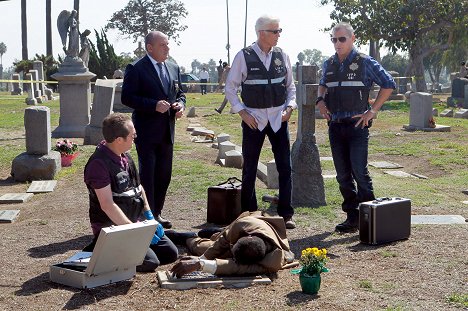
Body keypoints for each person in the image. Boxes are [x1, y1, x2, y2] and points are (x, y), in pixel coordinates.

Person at [316, 22, 396, 233]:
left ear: (353, 39)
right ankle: (352, 217)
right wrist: (320, 100)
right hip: (335, 126)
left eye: (342, 39)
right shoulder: (329, 63)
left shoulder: (365, 62)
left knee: (359, 172)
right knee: (342, 175)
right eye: (334, 39)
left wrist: (373, 111)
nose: (337, 43)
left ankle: (370, 218)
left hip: (357, 126)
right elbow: (323, 83)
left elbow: (388, 84)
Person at [225, 15, 297, 229]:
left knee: (285, 167)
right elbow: (230, 88)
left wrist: (290, 107)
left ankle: (286, 213)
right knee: (249, 168)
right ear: (261, 33)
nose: (278, 35)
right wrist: (242, 113)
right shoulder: (243, 56)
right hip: (253, 119)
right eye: (275, 31)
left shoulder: (282, 55)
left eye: (279, 31)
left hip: (278, 118)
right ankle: (249, 213)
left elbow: (291, 87)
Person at [83, 113, 178, 272]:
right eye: (132, 135)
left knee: (170, 253)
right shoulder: (98, 164)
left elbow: (139, 189)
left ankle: (137, 246)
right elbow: (107, 205)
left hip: (135, 222)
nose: (135, 137)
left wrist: (149, 217)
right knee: (150, 263)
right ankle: (99, 249)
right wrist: (137, 232)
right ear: (119, 140)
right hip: (113, 229)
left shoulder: (125, 157)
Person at [121, 31, 186, 229]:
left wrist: (180, 105)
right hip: (146, 132)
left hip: (167, 131)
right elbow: (127, 97)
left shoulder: (173, 67)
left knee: (164, 174)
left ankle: (157, 212)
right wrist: (153, 105)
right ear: (150, 47)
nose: (167, 48)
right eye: (163, 45)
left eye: (168, 45)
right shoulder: (136, 68)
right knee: (148, 175)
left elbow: (180, 93)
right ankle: (147, 215)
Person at [170, 211, 294, 277]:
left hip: (243, 241)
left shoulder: (273, 261)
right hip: (244, 226)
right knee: (202, 248)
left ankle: (195, 236)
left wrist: (201, 264)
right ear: (248, 236)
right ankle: (188, 237)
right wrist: (202, 259)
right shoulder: (243, 224)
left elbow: (238, 268)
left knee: (207, 249)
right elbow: (223, 242)